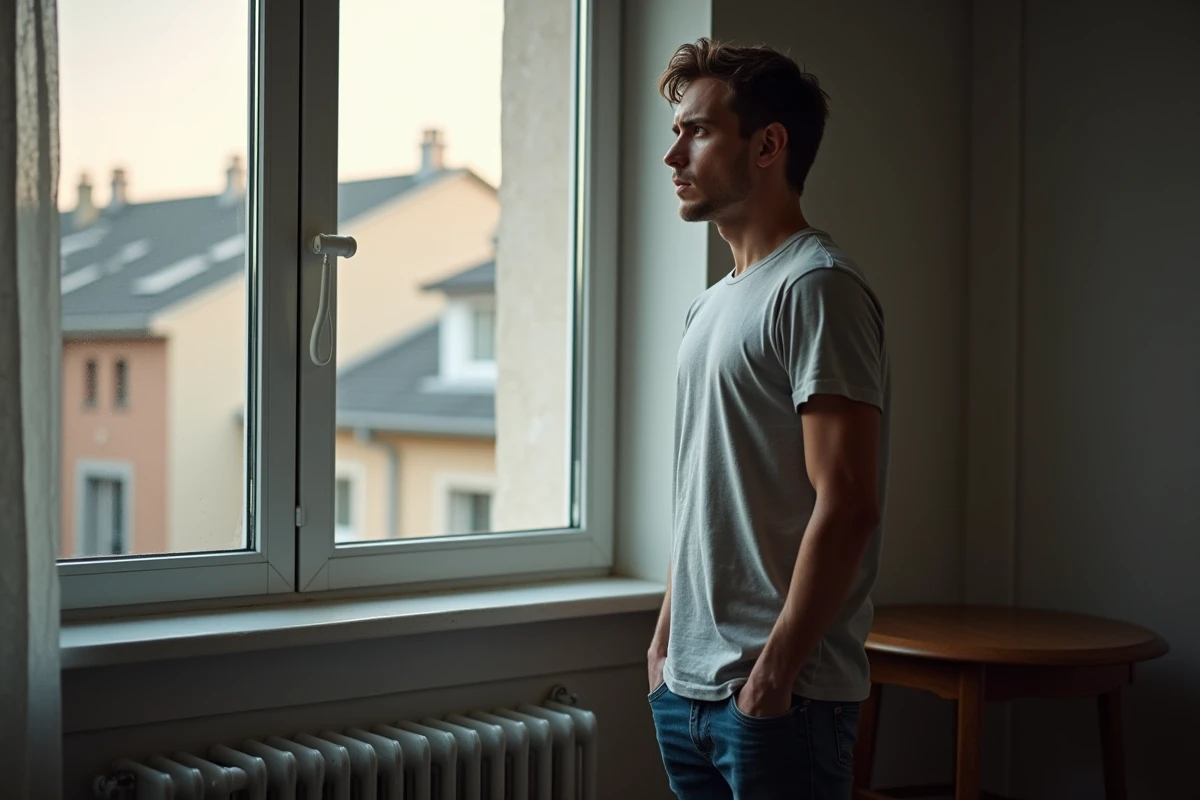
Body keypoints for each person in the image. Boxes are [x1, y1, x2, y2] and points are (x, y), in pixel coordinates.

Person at [647, 38, 891, 800]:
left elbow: (848, 503)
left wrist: (774, 676)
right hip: (687, 691)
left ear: (768, 145)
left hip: (781, 700)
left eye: (698, 130)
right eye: (677, 130)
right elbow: (702, 491)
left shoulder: (817, 289)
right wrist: (663, 645)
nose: (672, 155)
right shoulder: (710, 303)